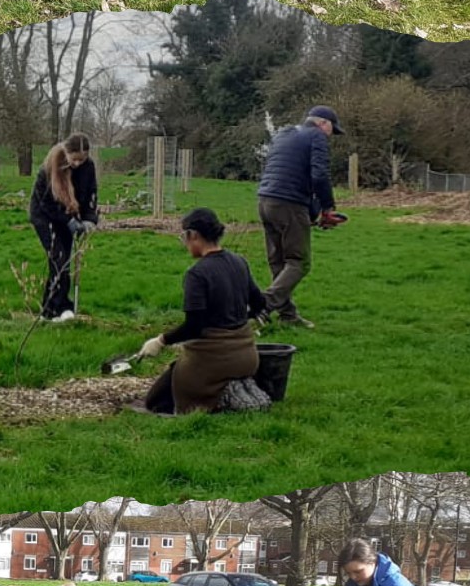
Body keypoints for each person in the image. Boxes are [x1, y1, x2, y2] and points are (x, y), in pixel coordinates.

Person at [136, 207, 267, 415]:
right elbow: (260, 303)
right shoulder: (239, 262)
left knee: (157, 400)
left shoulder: (197, 274)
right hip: (248, 357)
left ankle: (223, 398)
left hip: (216, 361)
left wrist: (160, 341)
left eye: (184, 237)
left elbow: (194, 327)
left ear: (193, 235)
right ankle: (240, 387)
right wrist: (240, 319)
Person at [256, 105, 344, 329]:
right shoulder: (316, 136)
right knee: (299, 262)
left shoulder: (284, 133)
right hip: (289, 203)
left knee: (278, 261)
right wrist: (328, 208)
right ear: (323, 123)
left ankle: (288, 315)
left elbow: (287, 171)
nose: (330, 136)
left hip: (265, 200)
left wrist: (313, 212)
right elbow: (319, 175)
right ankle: (263, 305)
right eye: (331, 130)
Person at [28, 133, 98, 322]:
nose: (77, 164)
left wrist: (89, 219)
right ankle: (57, 308)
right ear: (66, 153)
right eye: (74, 159)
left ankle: (52, 309)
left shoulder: (88, 167)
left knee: (65, 259)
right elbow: (47, 202)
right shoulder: (50, 167)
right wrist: (69, 221)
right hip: (44, 216)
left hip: (69, 214)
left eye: (81, 160)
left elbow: (90, 193)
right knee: (58, 258)